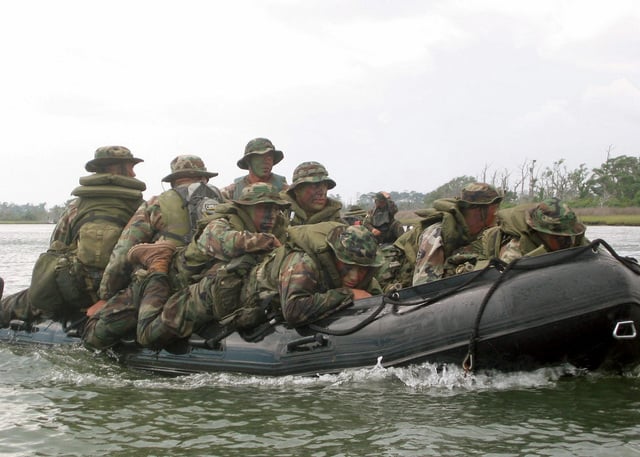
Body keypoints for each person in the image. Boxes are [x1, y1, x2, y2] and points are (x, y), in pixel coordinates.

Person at [83, 182, 290, 350]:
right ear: (245, 208)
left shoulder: (277, 228)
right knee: (97, 336)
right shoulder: (220, 224)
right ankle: (157, 259)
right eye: (264, 209)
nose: (271, 216)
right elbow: (223, 242)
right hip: (168, 280)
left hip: (203, 289)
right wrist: (265, 241)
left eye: (275, 209)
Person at [0, 146, 146, 327]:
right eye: (129, 167)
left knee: (16, 304)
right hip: (123, 294)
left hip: (75, 290)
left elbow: (56, 247)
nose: (133, 174)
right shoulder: (142, 208)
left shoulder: (76, 207)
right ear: (113, 168)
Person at [248, 222, 384, 328]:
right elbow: (293, 311)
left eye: (361, 269)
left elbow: (377, 297)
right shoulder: (303, 263)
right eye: (347, 267)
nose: (354, 277)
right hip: (260, 300)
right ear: (334, 256)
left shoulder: (366, 270)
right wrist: (347, 294)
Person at [393, 182, 503, 287]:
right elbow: (425, 286)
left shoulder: (483, 230)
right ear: (481, 210)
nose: (497, 213)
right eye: (495, 207)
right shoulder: (438, 233)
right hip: (397, 271)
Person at [482, 197, 588, 263]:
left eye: (570, 235)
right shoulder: (516, 251)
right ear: (541, 234)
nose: (567, 242)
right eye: (559, 237)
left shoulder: (576, 240)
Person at [221, 137, 289, 200]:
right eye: (260, 158)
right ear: (248, 161)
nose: (266, 162)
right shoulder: (233, 191)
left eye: (269, 158)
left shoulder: (285, 190)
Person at [282, 161, 343, 225]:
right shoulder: (279, 212)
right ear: (297, 190)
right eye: (315, 186)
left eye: (325, 185)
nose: (322, 192)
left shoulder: (334, 217)